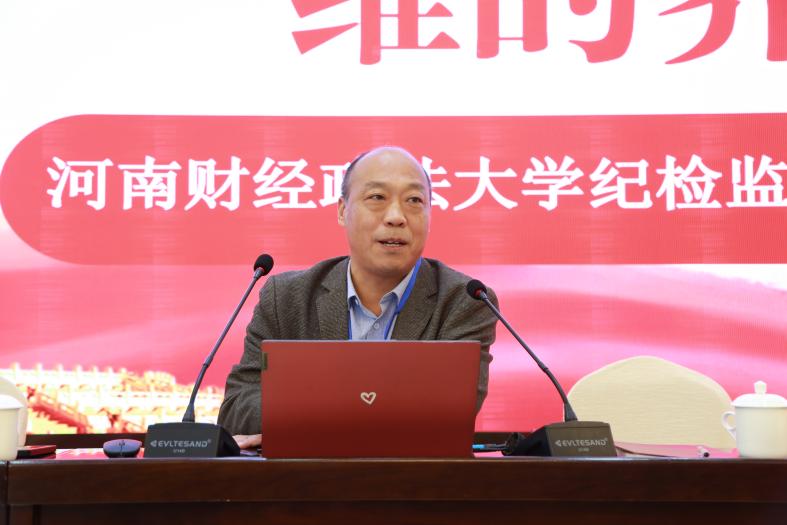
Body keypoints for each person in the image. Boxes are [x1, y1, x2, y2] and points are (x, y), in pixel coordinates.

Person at [218, 146, 498, 449]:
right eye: (377, 197)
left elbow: (447, 417)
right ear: (342, 210)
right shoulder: (286, 298)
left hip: (413, 477)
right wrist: (354, 412)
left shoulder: (465, 301)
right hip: (304, 477)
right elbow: (237, 408)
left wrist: (306, 414)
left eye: (414, 200)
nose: (396, 217)